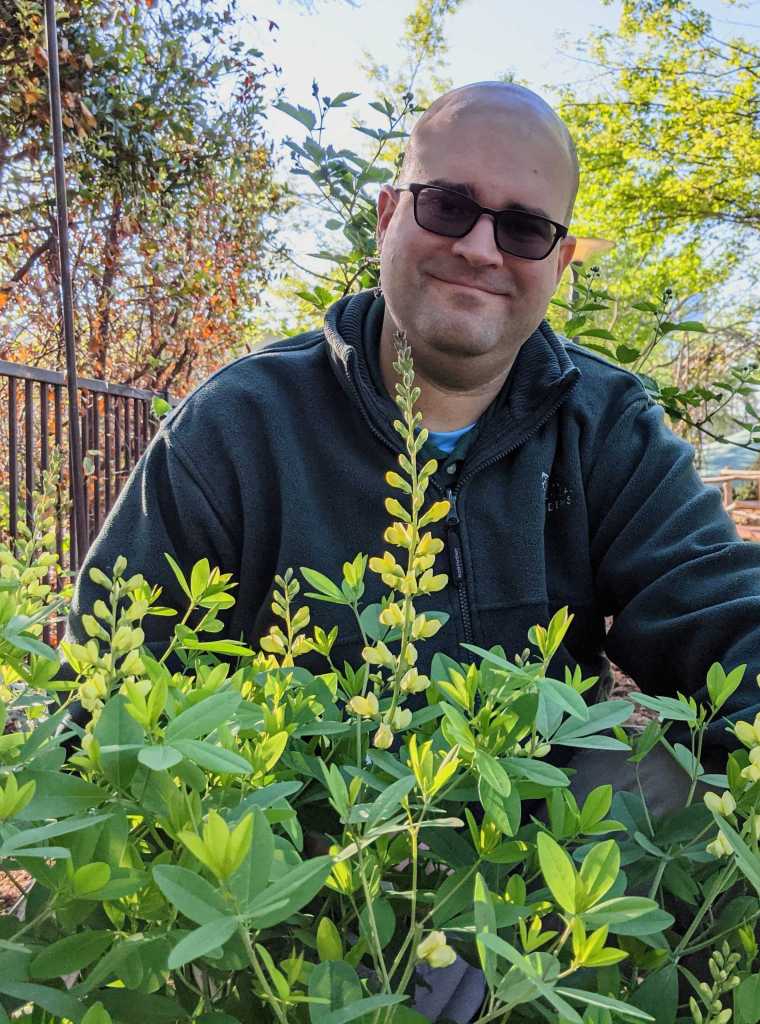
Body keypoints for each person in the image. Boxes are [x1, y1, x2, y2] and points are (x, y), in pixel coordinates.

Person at [65, 81, 759, 1019]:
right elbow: (103, 699)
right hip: (293, 860)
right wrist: (288, 879)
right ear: (391, 213)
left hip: (529, 848)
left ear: (559, 262)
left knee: (663, 775)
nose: (480, 246)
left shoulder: (605, 424)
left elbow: (721, 611)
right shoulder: (240, 424)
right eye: (448, 205)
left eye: (523, 228)